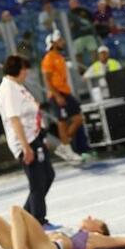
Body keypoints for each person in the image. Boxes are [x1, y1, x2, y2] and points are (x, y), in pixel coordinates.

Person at [0, 54, 54, 224]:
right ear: (17, 70)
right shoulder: (8, 89)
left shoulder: (18, 86)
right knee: (37, 182)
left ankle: (23, 218)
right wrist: (25, 147)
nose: (26, 73)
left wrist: (41, 136)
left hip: (34, 136)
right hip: (25, 141)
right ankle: (38, 221)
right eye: (24, 70)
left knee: (48, 175)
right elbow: (14, 119)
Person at [40, 31, 84, 163]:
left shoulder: (59, 56)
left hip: (65, 92)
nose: (62, 42)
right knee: (62, 122)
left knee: (78, 118)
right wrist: (57, 95)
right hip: (56, 93)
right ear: (53, 43)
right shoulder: (48, 58)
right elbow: (47, 80)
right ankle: (67, 149)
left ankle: (65, 145)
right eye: (60, 40)